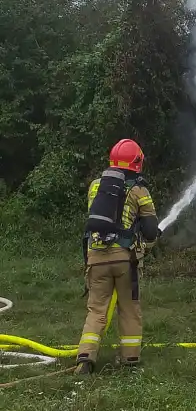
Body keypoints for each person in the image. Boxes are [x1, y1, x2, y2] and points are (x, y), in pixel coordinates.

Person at [75, 139, 159, 376]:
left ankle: (85, 357)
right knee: (129, 307)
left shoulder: (95, 186)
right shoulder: (139, 190)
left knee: (96, 309)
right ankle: (130, 358)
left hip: (95, 257)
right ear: (137, 162)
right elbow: (151, 230)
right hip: (124, 260)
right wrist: (147, 244)